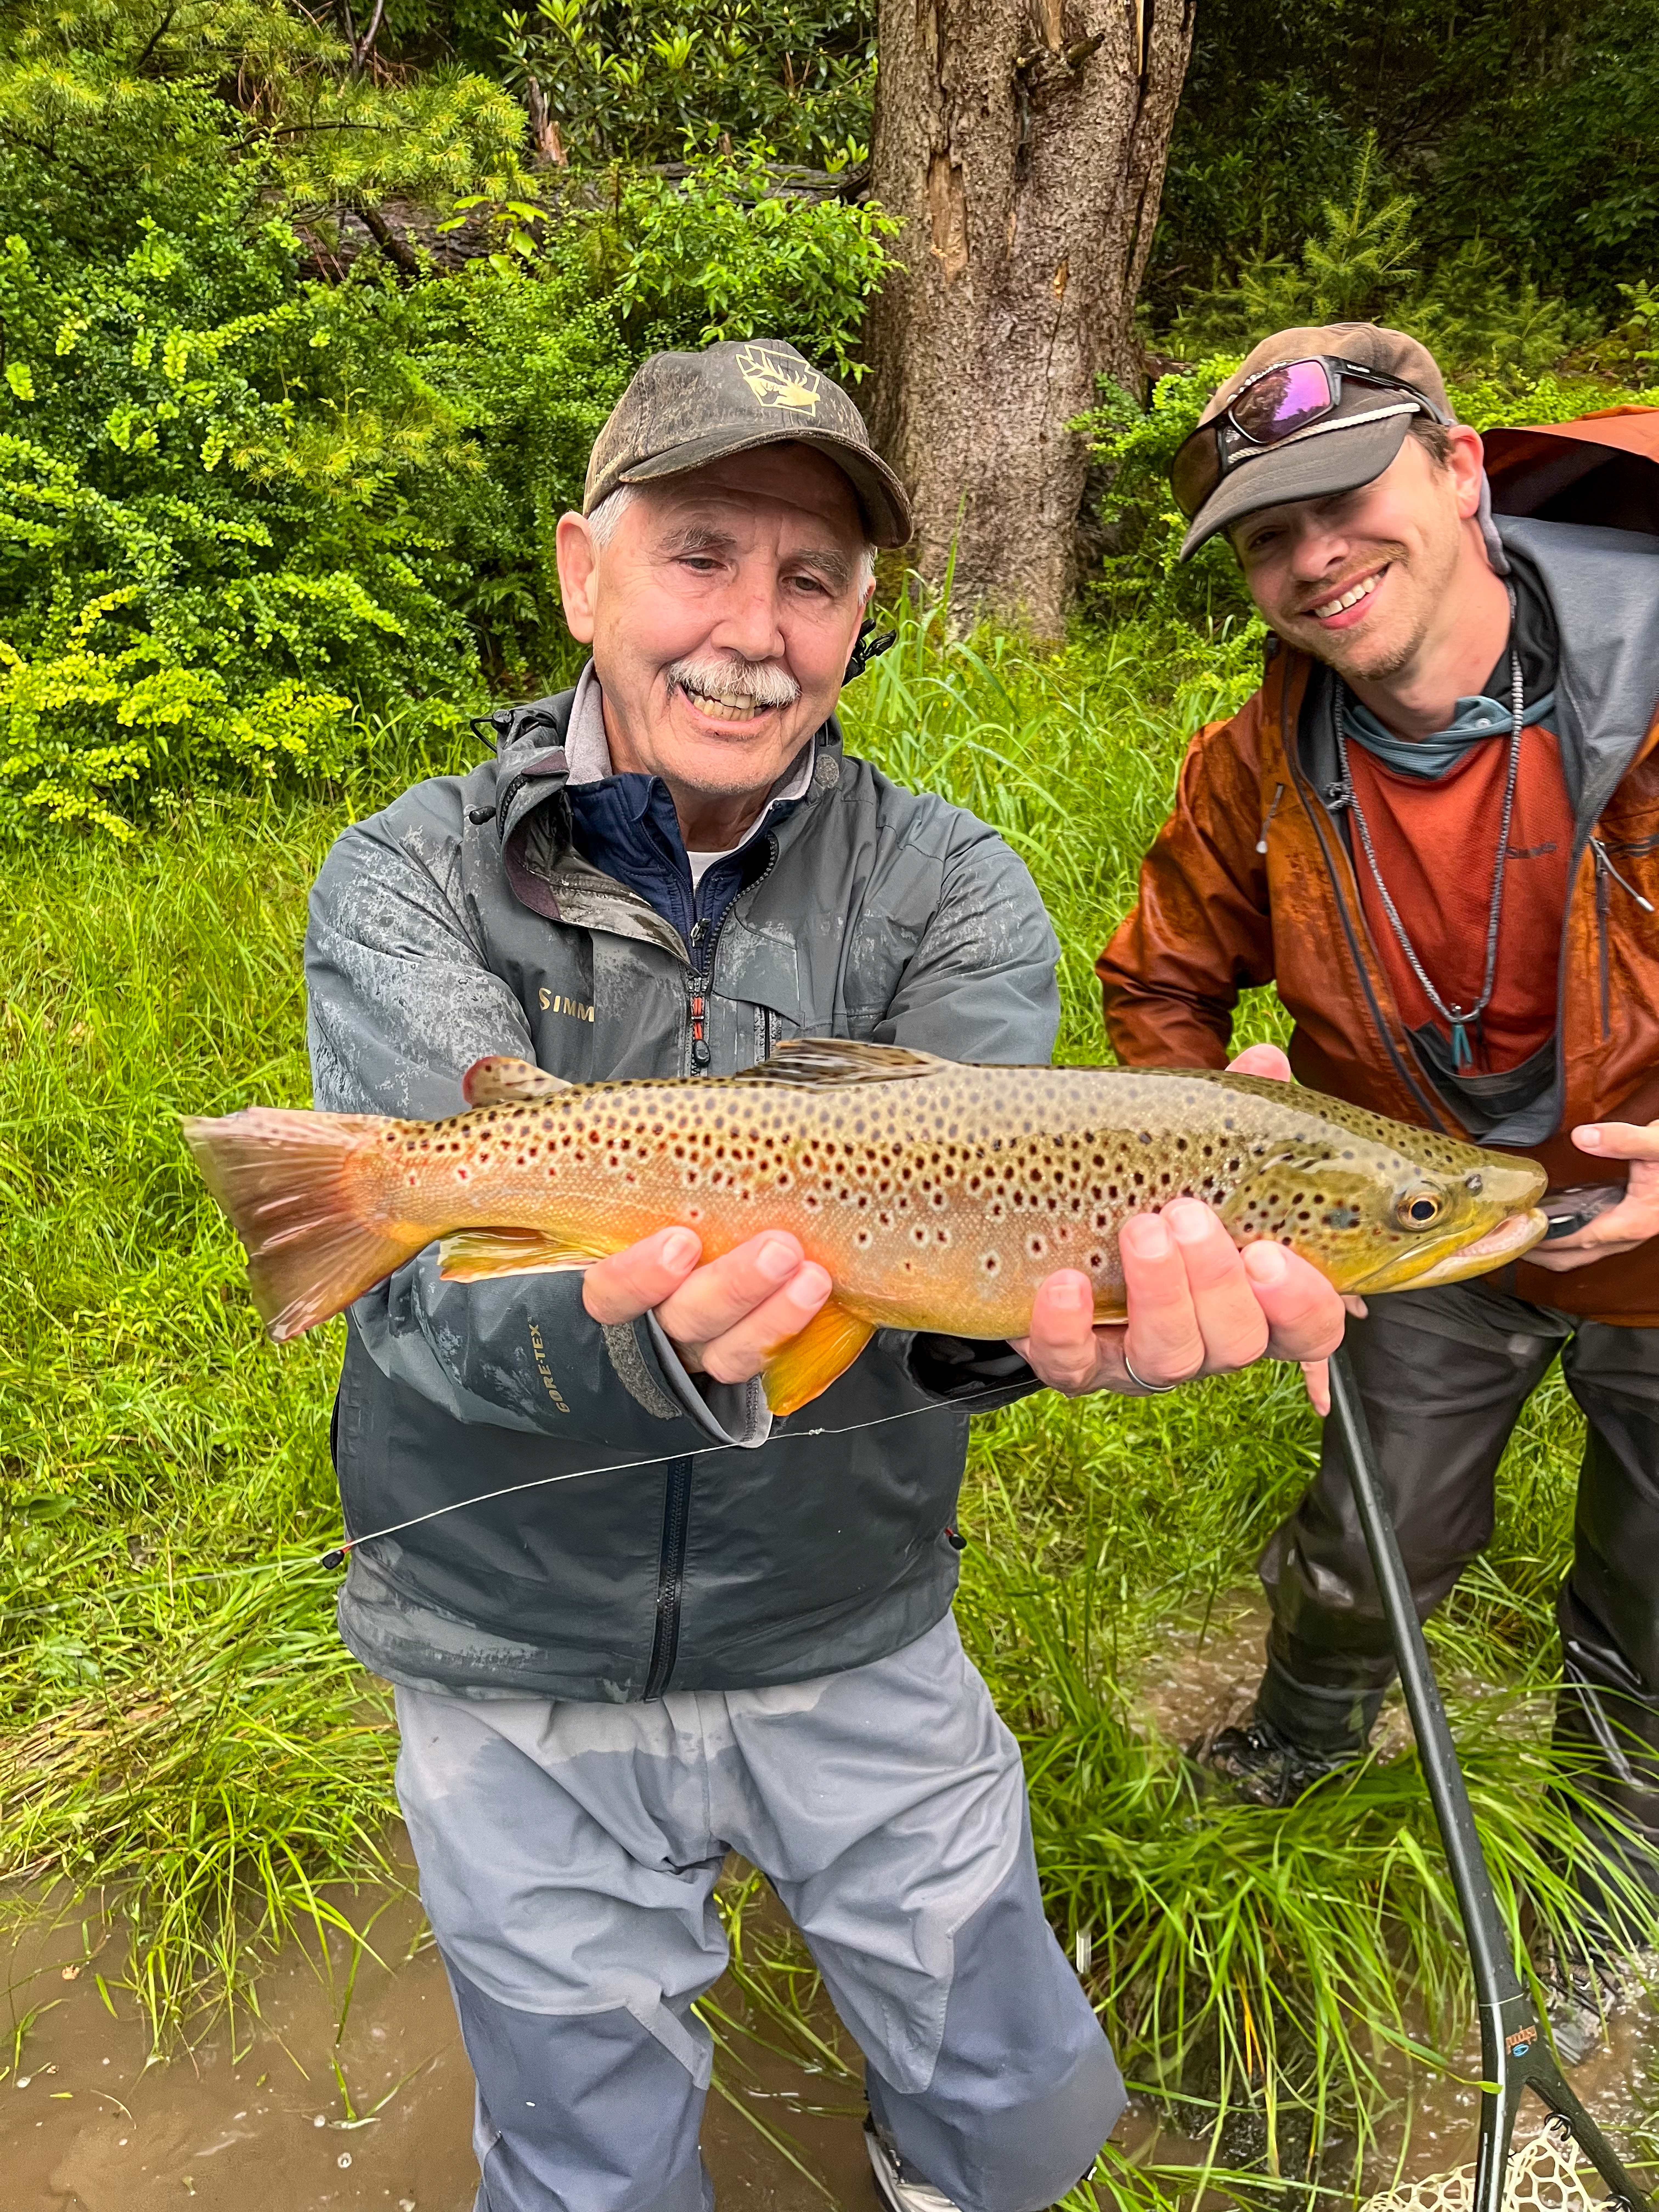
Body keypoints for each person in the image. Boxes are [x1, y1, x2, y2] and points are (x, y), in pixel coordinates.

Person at [305, 335, 1346, 2212]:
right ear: (583, 572)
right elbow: (414, 1295)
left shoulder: (952, 886)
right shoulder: (406, 878)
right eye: (701, 554)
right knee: (583, 2157)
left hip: (851, 1619)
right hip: (504, 1645)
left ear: (863, 620)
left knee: (1013, 2113)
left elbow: (971, 1252)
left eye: (812, 578)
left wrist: (1051, 1331)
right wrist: (655, 1349)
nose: (754, 630)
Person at [1097, 323, 1659, 2061]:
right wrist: (1207, 1138)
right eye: (1268, 537)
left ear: (1463, 468)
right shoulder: (1253, 765)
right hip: (1419, 1234)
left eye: (1346, 498)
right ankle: (1300, 1736)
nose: (1315, 558)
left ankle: (1608, 1883)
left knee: (1652, 1601)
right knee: (1367, 1543)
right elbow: (1159, 979)